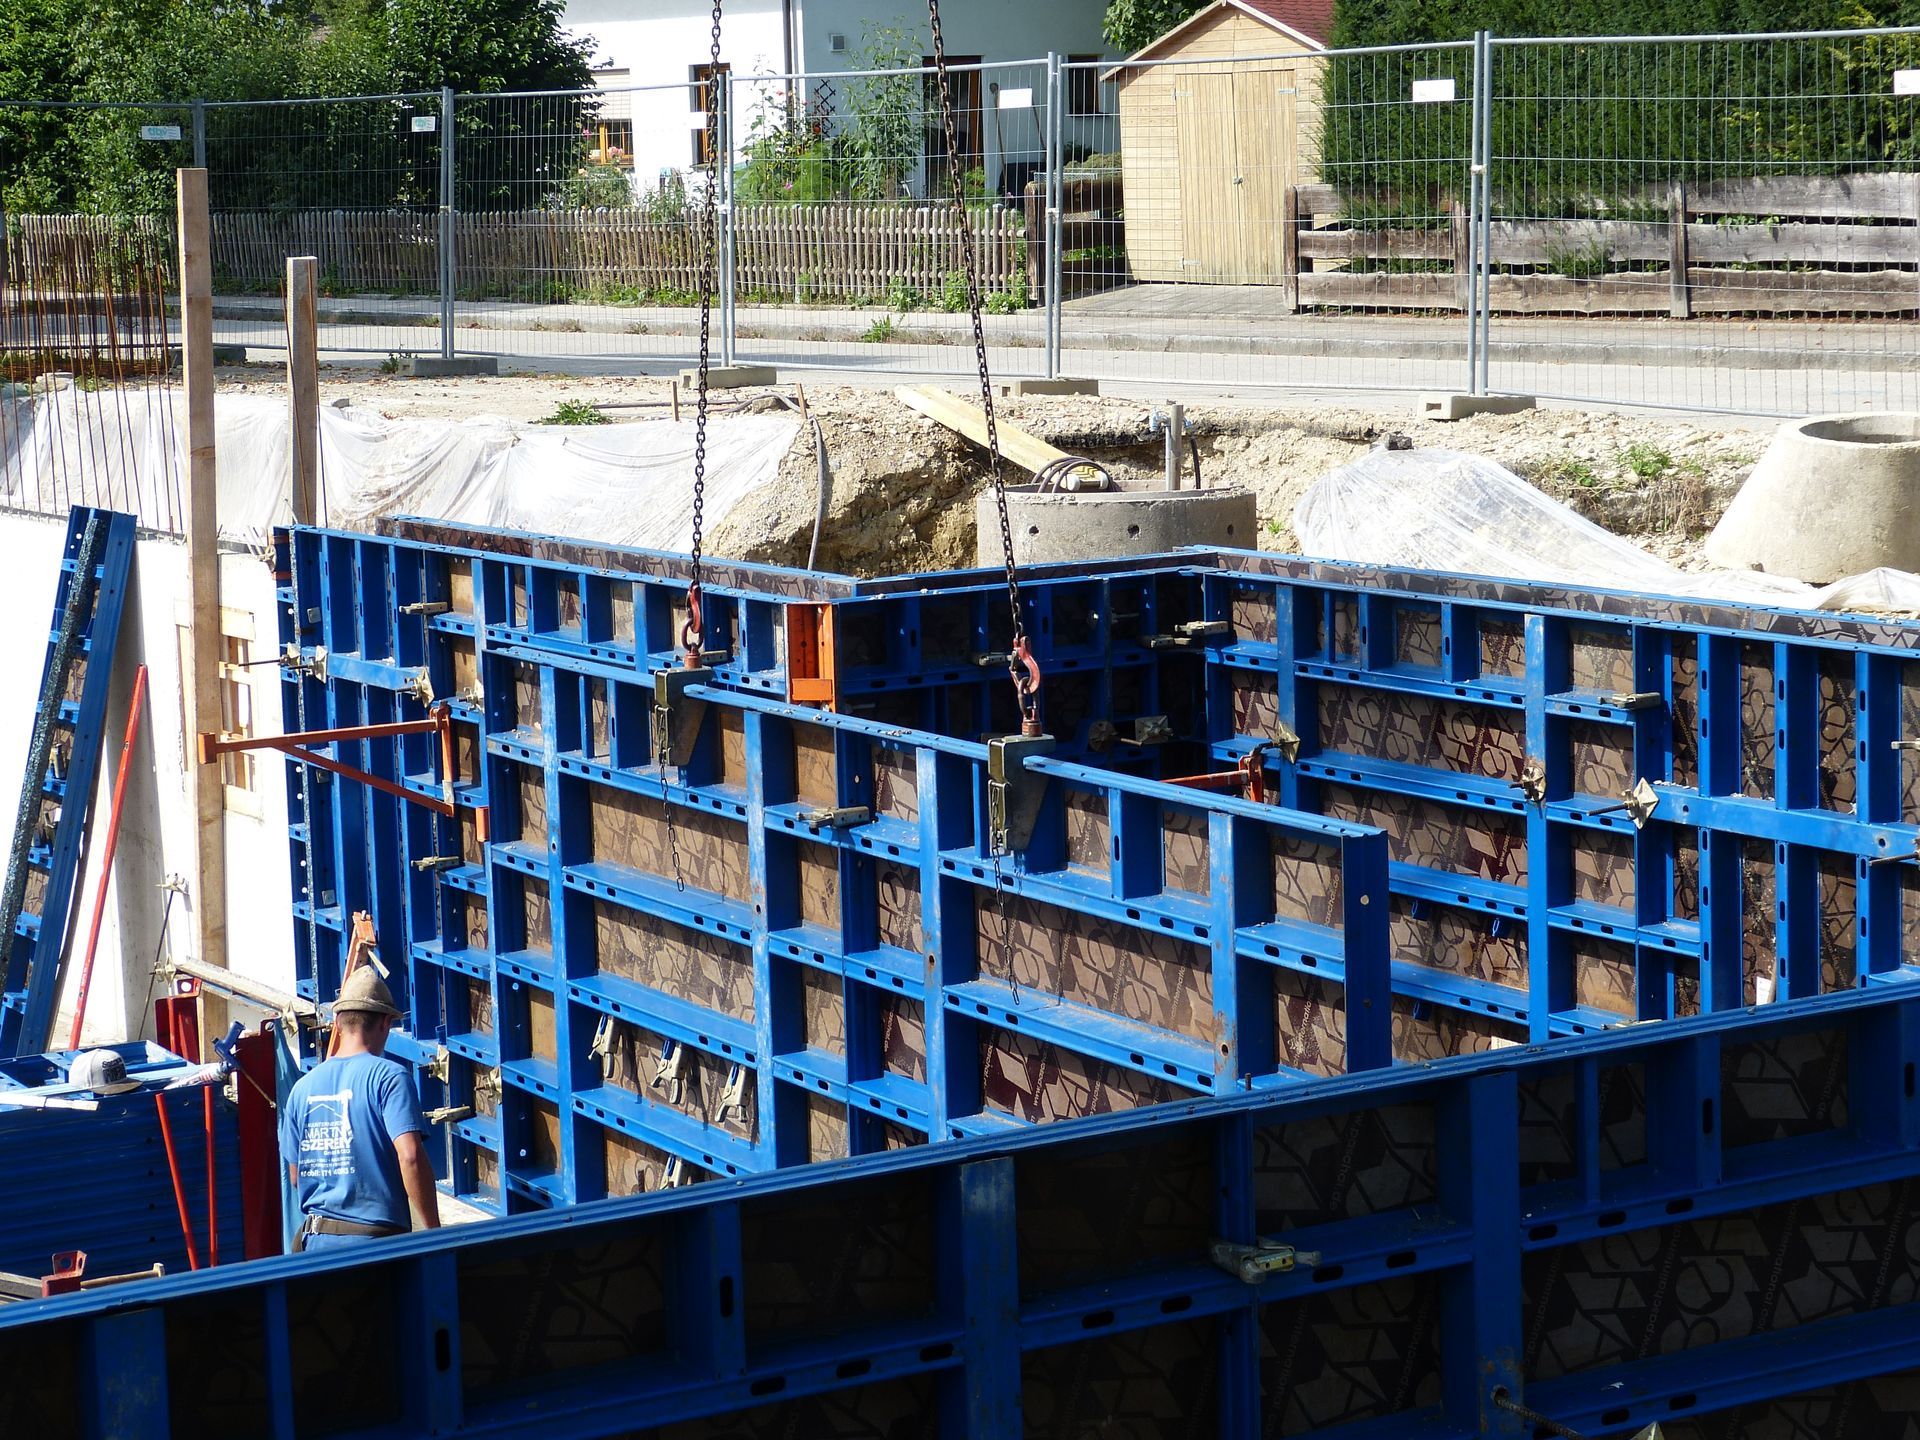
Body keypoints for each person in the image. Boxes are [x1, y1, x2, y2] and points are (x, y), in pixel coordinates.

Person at [279, 967, 440, 1252]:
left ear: (337, 1023)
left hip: (315, 1244)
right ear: (386, 1024)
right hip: (375, 1246)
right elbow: (410, 1156)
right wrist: (433, 1232)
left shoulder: (301, 1089)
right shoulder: (389, 1077)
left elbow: (294, 1175)